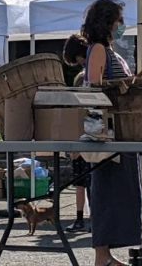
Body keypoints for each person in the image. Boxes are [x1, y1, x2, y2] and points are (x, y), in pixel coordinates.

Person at [80, 0, 141, 266]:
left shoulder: (107, 50)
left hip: (120, 131)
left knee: (117, 192)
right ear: (107, 22)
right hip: (107, 133)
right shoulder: (98, 50)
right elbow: (94, 87)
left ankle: (106, 255)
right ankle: (102, 256)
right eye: (119, 21)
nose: (121, 25)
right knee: (106, 192)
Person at [61, 33, 90, 233]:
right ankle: (86, 218)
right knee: (87, 181)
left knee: (82, 181)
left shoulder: (83, 78)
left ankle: (80, 218)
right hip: (88, 133)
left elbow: (78, 114)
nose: (80, 62)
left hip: (84, 134)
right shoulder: (84, 76)